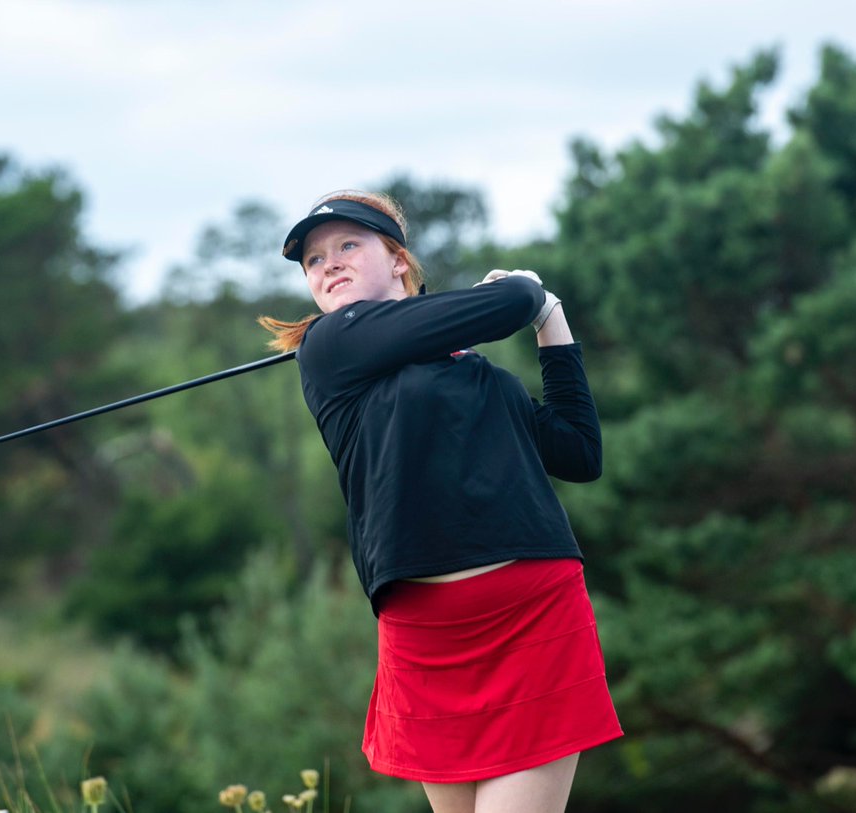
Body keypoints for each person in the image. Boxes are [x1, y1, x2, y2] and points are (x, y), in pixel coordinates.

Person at [259, 190, 622, 813]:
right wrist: (526, 291)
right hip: (427, 636)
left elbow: (578, 452)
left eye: (348, 245)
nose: (329, 264)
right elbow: (509, 299)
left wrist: (551, 319)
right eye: (314, 260)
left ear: (398, 260)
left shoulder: (480, 375)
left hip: (531, 614)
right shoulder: (330, 346)